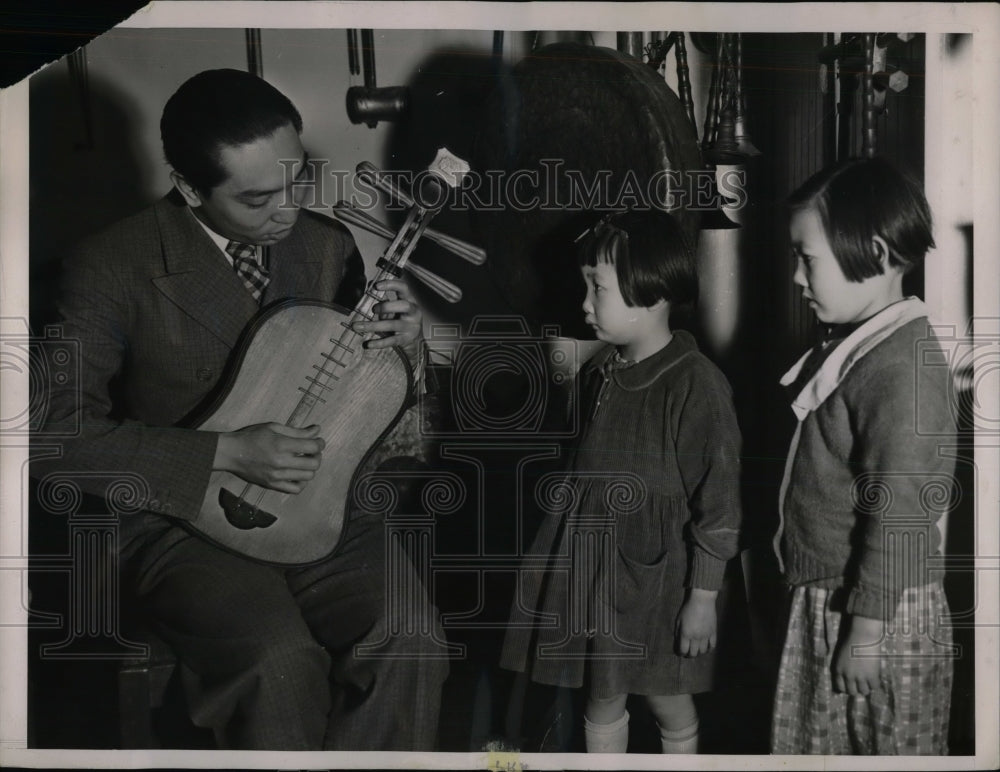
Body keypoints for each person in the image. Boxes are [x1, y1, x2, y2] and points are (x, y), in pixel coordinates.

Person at [34, 68, 448, 751]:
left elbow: (356, 398)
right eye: (258, 198)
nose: (287, 211)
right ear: (191, 188)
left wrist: (403, 348)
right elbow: (53, 436)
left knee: (412, 639)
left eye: (297, 180)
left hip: (321, 505)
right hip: (182, 522)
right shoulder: (107, 267)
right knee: (277, 665)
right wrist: (226, 451)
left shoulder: (326, 246)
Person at [500, 209, 744, 754]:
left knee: (665, 697)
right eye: (585, 285)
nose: (584, 303)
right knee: (602, 694)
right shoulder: (601, 369)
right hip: (594, 568)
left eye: (598, 288)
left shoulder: (696, 385)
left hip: (658, 582)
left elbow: (720, 504)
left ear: (652, 294)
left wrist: (702, 597)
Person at [770, 157, 956, 754]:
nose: (797, 277)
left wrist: (869, 629)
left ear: (873, 253)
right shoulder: (862, 347)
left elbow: (902, 512)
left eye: (808, 259)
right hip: (837, 596)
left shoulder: (901, 369)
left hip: (878, 610)